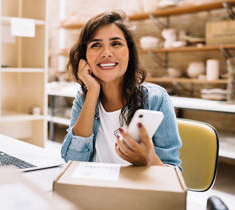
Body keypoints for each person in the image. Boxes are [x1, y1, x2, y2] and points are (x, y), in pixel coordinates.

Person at [61, 10, 182, 169]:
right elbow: (73, 161)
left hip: (137, 191)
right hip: (96, 189)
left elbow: (173, 175)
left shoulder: (156, 99)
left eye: (116, 43)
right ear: (84, 56)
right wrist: (93, 92)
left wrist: (148, 160)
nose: (106, 53)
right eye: (96, 45)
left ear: (129, 52)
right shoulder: (84, 99)